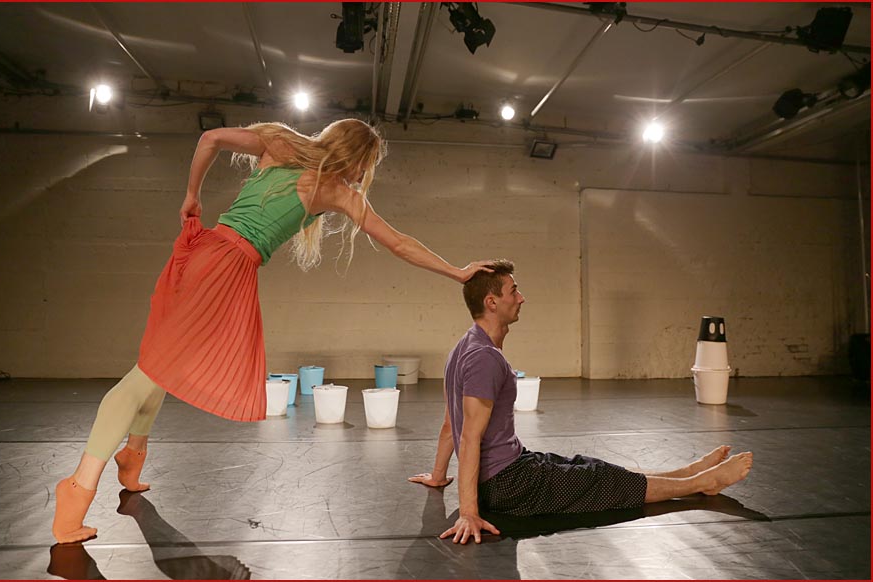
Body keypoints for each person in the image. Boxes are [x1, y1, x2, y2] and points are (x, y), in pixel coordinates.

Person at [52, 118, 494, 544]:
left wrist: (192, 196)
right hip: (224, 270)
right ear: (356, 157)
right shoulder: (335, 191)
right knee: (147, 374)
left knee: (163, 363)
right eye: (366, 165)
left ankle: (132, 457)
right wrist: (456, 272)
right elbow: (398, 242)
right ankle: (77, 487)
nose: (363, 175)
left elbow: (210, 139)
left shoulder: (281, 142)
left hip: (210, 254)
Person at [409, 259, 754, 544]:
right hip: (509, 485)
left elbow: (450, 423)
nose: (521, 298)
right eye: (513, 290)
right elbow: (469, 436)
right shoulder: (485, 358)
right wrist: (469, 512)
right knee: (604, 482)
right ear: (492, 302)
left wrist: (439, 476)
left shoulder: (463, 347)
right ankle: (701, 483)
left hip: (514, 467)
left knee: (591, 467)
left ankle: (684, 473)